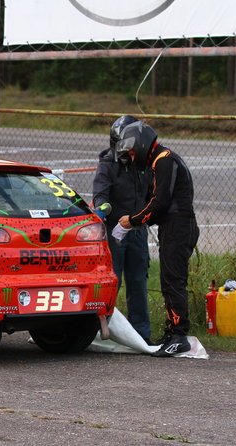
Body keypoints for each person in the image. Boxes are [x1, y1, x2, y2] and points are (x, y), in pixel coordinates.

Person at [116, 120, 199, 357]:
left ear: (141, 144)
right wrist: (139, 220)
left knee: (174, 281)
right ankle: (172, 331)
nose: (132, 159)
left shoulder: (164, 160)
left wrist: (133, 220)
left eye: (132, 153)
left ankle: (179, 336)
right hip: (172, 226)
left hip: (179, 227)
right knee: (168, 280)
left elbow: (160, 202)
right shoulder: (157, 160)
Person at [92, 115, 152, 344]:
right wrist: (101, 207)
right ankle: (103, 332)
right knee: (111, 281)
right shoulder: (108, 163)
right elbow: (100, 191)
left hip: (137, 230)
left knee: (138, 281)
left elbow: (152, 193)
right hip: (114, 232)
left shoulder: (145, 163)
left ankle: (140, 333)